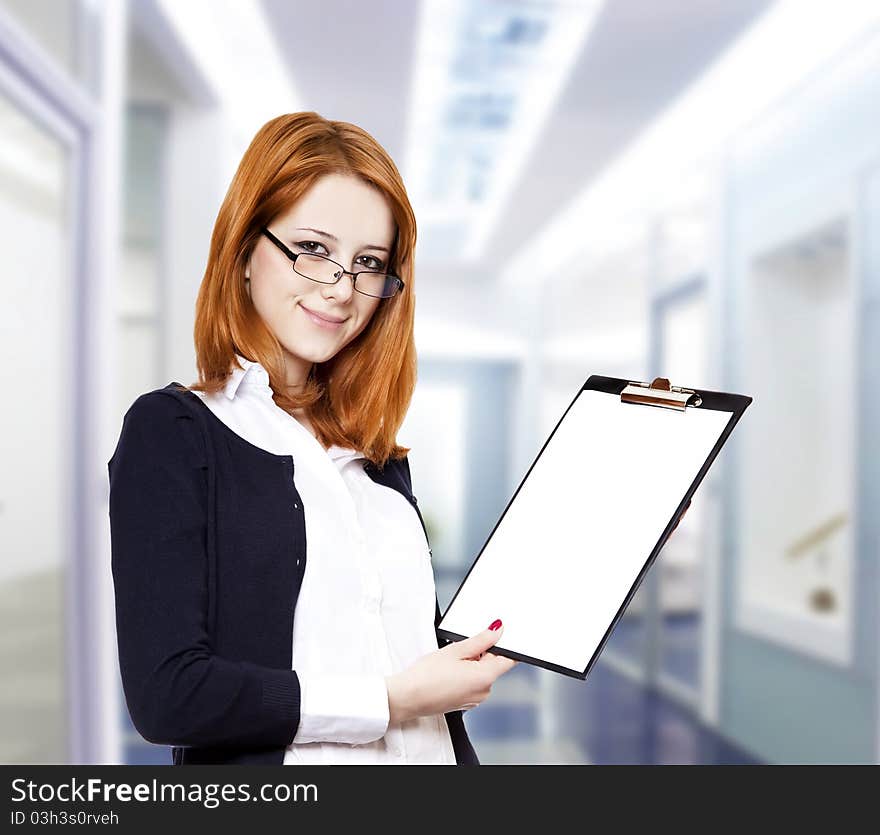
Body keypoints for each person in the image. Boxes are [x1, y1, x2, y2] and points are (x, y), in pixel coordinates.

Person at [107, 111, 518, 766]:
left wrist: (599, 547)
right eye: (314, 249)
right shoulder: (176, 433)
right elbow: (169, 693)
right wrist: (388, 700)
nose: (342, 288)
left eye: (369, 263)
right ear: (245, 249)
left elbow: (411, 643)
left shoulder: (374, 452)